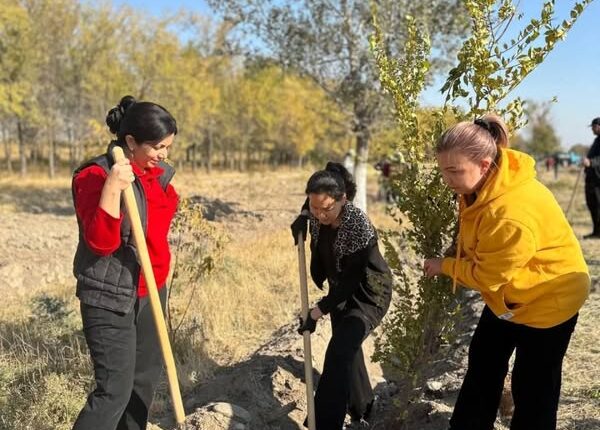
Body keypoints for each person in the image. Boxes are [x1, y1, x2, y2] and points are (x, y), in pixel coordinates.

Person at [423, 114, 590, 430]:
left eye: (454, 171)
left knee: (534, 386)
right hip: (512, 292)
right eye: (443, 170)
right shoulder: (482, 185)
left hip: (549, 299)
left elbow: (487, 277)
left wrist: (445, 266)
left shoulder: (510, 213)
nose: (447, 179)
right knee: (484, 361)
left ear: (484, 164)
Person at [71, 95, 179, 430]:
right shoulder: (94, 176)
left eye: (168, 147)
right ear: (130, 142)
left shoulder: (156, 175)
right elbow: (100, 244)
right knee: (113, 392)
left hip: (152, 291)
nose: (163, 155)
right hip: (110, 296)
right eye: (157, 147)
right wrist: (112, 188)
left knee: (142, 384)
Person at [290, 162, 392, 430]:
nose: (321, 215)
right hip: (339, 289)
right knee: (348, 349)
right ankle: (363, 408)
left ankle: (324, 424)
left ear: (343, 199)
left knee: (338, 352)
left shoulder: (357, 225)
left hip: (368, 293)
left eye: (326, 209)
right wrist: (303, 216)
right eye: (315, 208)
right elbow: (313, 203)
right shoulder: (317, 208)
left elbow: (351, 282)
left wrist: (316, 312)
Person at [582, 117, 600, 238]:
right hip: (591, 178)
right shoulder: (597, 141)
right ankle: (596, 231)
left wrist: (591, 162)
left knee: (598, 205)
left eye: (593, 127)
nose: (592, 129)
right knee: (592, 204)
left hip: (598, 180)